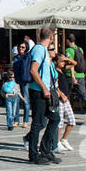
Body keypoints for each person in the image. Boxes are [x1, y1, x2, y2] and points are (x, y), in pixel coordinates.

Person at [26, 28, 60, 164]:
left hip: (45, 91)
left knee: (55, 119)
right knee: (37, 123)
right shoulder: (39, 49)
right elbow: (33, 70)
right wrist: (44, 88)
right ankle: (33, 155)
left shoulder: (44, 50)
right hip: (38, 91)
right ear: (51, 37)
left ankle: (45, 150)